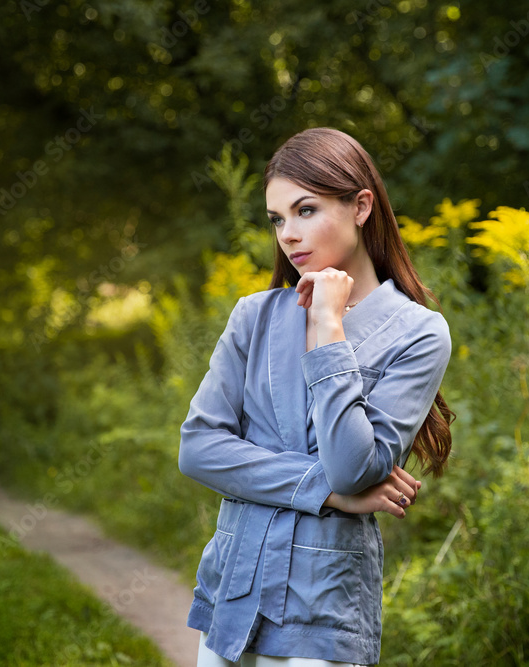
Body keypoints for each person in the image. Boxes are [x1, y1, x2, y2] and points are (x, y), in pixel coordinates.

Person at [178, 127, 454, 666]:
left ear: (361, 206)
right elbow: (198, 450)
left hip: (323, 607)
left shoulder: (419, 333)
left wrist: (329, 327)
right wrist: (328, 495)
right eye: (278, 219)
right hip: (233, 594)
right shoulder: (254, 317)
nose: (287, 234)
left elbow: (353, 468)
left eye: (305, 210)